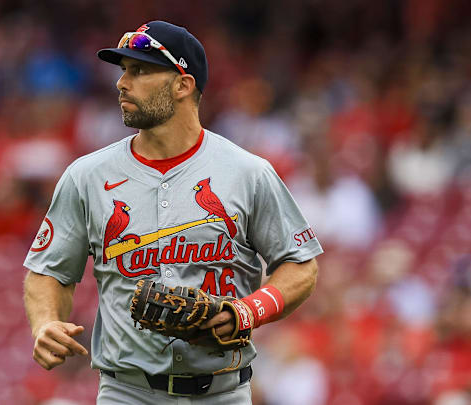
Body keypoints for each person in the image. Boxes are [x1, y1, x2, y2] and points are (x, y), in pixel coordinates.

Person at [23, 20, 323, 404]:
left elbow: (301, 265)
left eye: (141, 71)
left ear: (183, 85)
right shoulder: (87, 176)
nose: (122, 83)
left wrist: (247, 311)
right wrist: (46, 322)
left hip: (223, 391)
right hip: (126, 391)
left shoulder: (249, 173)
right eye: (124, 71)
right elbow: (49, 271)